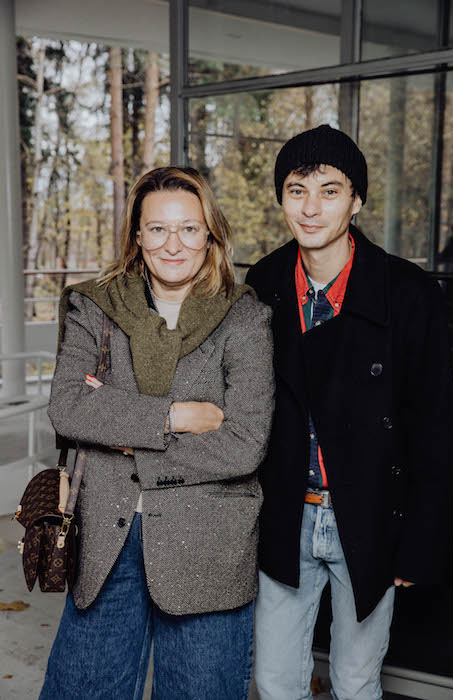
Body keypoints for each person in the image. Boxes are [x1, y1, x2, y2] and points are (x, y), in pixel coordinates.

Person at [40, 166, 275, 700]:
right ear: (137, 235)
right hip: (106, 536)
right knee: (82, 689)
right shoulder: (94, 307)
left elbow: (244, 443)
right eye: (158, 229)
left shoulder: (244, 317)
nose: (174, 244)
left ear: (210, 235)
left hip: (209, 542)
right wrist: (177, 417)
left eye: (189, 229)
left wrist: (122, 432)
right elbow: (69, 407)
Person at [246, 125, 453, 700]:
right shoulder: (263, 283)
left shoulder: (407, 290)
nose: (311, 208)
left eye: (330, 191)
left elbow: (434, 426)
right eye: (297, 190)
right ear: (281, 198)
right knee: (274, 680)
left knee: (357, 681)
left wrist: (419, 541)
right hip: (286, 512)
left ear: (357, 199)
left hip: (369, 515)